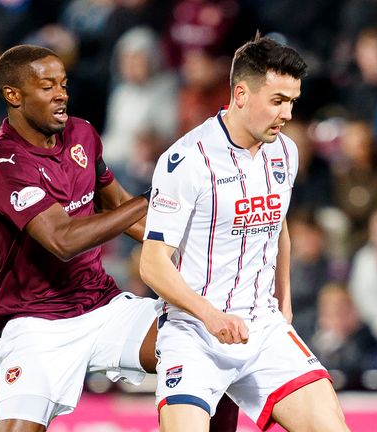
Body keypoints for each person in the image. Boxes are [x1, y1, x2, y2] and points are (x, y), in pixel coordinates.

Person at [0, 45, 238, 432]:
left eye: (63, 84)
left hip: (102, 304)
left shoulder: (82, 134)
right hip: (38, 323)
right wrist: (153, 197)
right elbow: (63, 240)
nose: (61, 94)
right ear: (13, 95)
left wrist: (191, 247)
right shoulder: (4, 163)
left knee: (213, 345)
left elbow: (117, 204)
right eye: (47, 86)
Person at [140, 34, 348, 432]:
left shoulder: (285, 151)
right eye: (277, 101)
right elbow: (152, 264)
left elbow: (278, 225)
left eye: (292, 102)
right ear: (240, 94)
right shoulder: (188, 159)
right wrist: (211, 316)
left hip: (262, 328)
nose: (287, 114)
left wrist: (284, 301)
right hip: (194, 331)